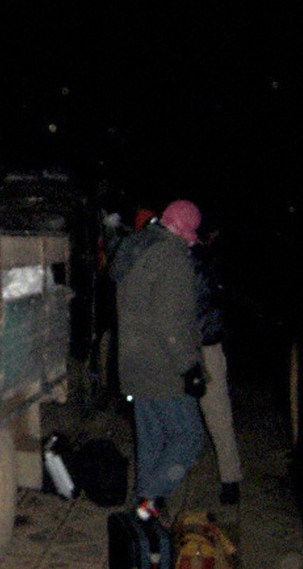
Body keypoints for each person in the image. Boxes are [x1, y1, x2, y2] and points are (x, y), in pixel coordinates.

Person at [109, 199, 205, 513]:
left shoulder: (137, 249)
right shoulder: (172, 257)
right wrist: (189, 367)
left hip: (134, 364)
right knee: (189, 437)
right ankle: (150, 495)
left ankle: (145, 511)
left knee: (151, 440)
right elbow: (172, 321)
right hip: (163, 368)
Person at [191, 227, 243, 505]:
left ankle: (230, 479)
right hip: (189, 344)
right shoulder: (188, 257)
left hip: (207, 344)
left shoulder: (206, 260)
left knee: (217, 412)